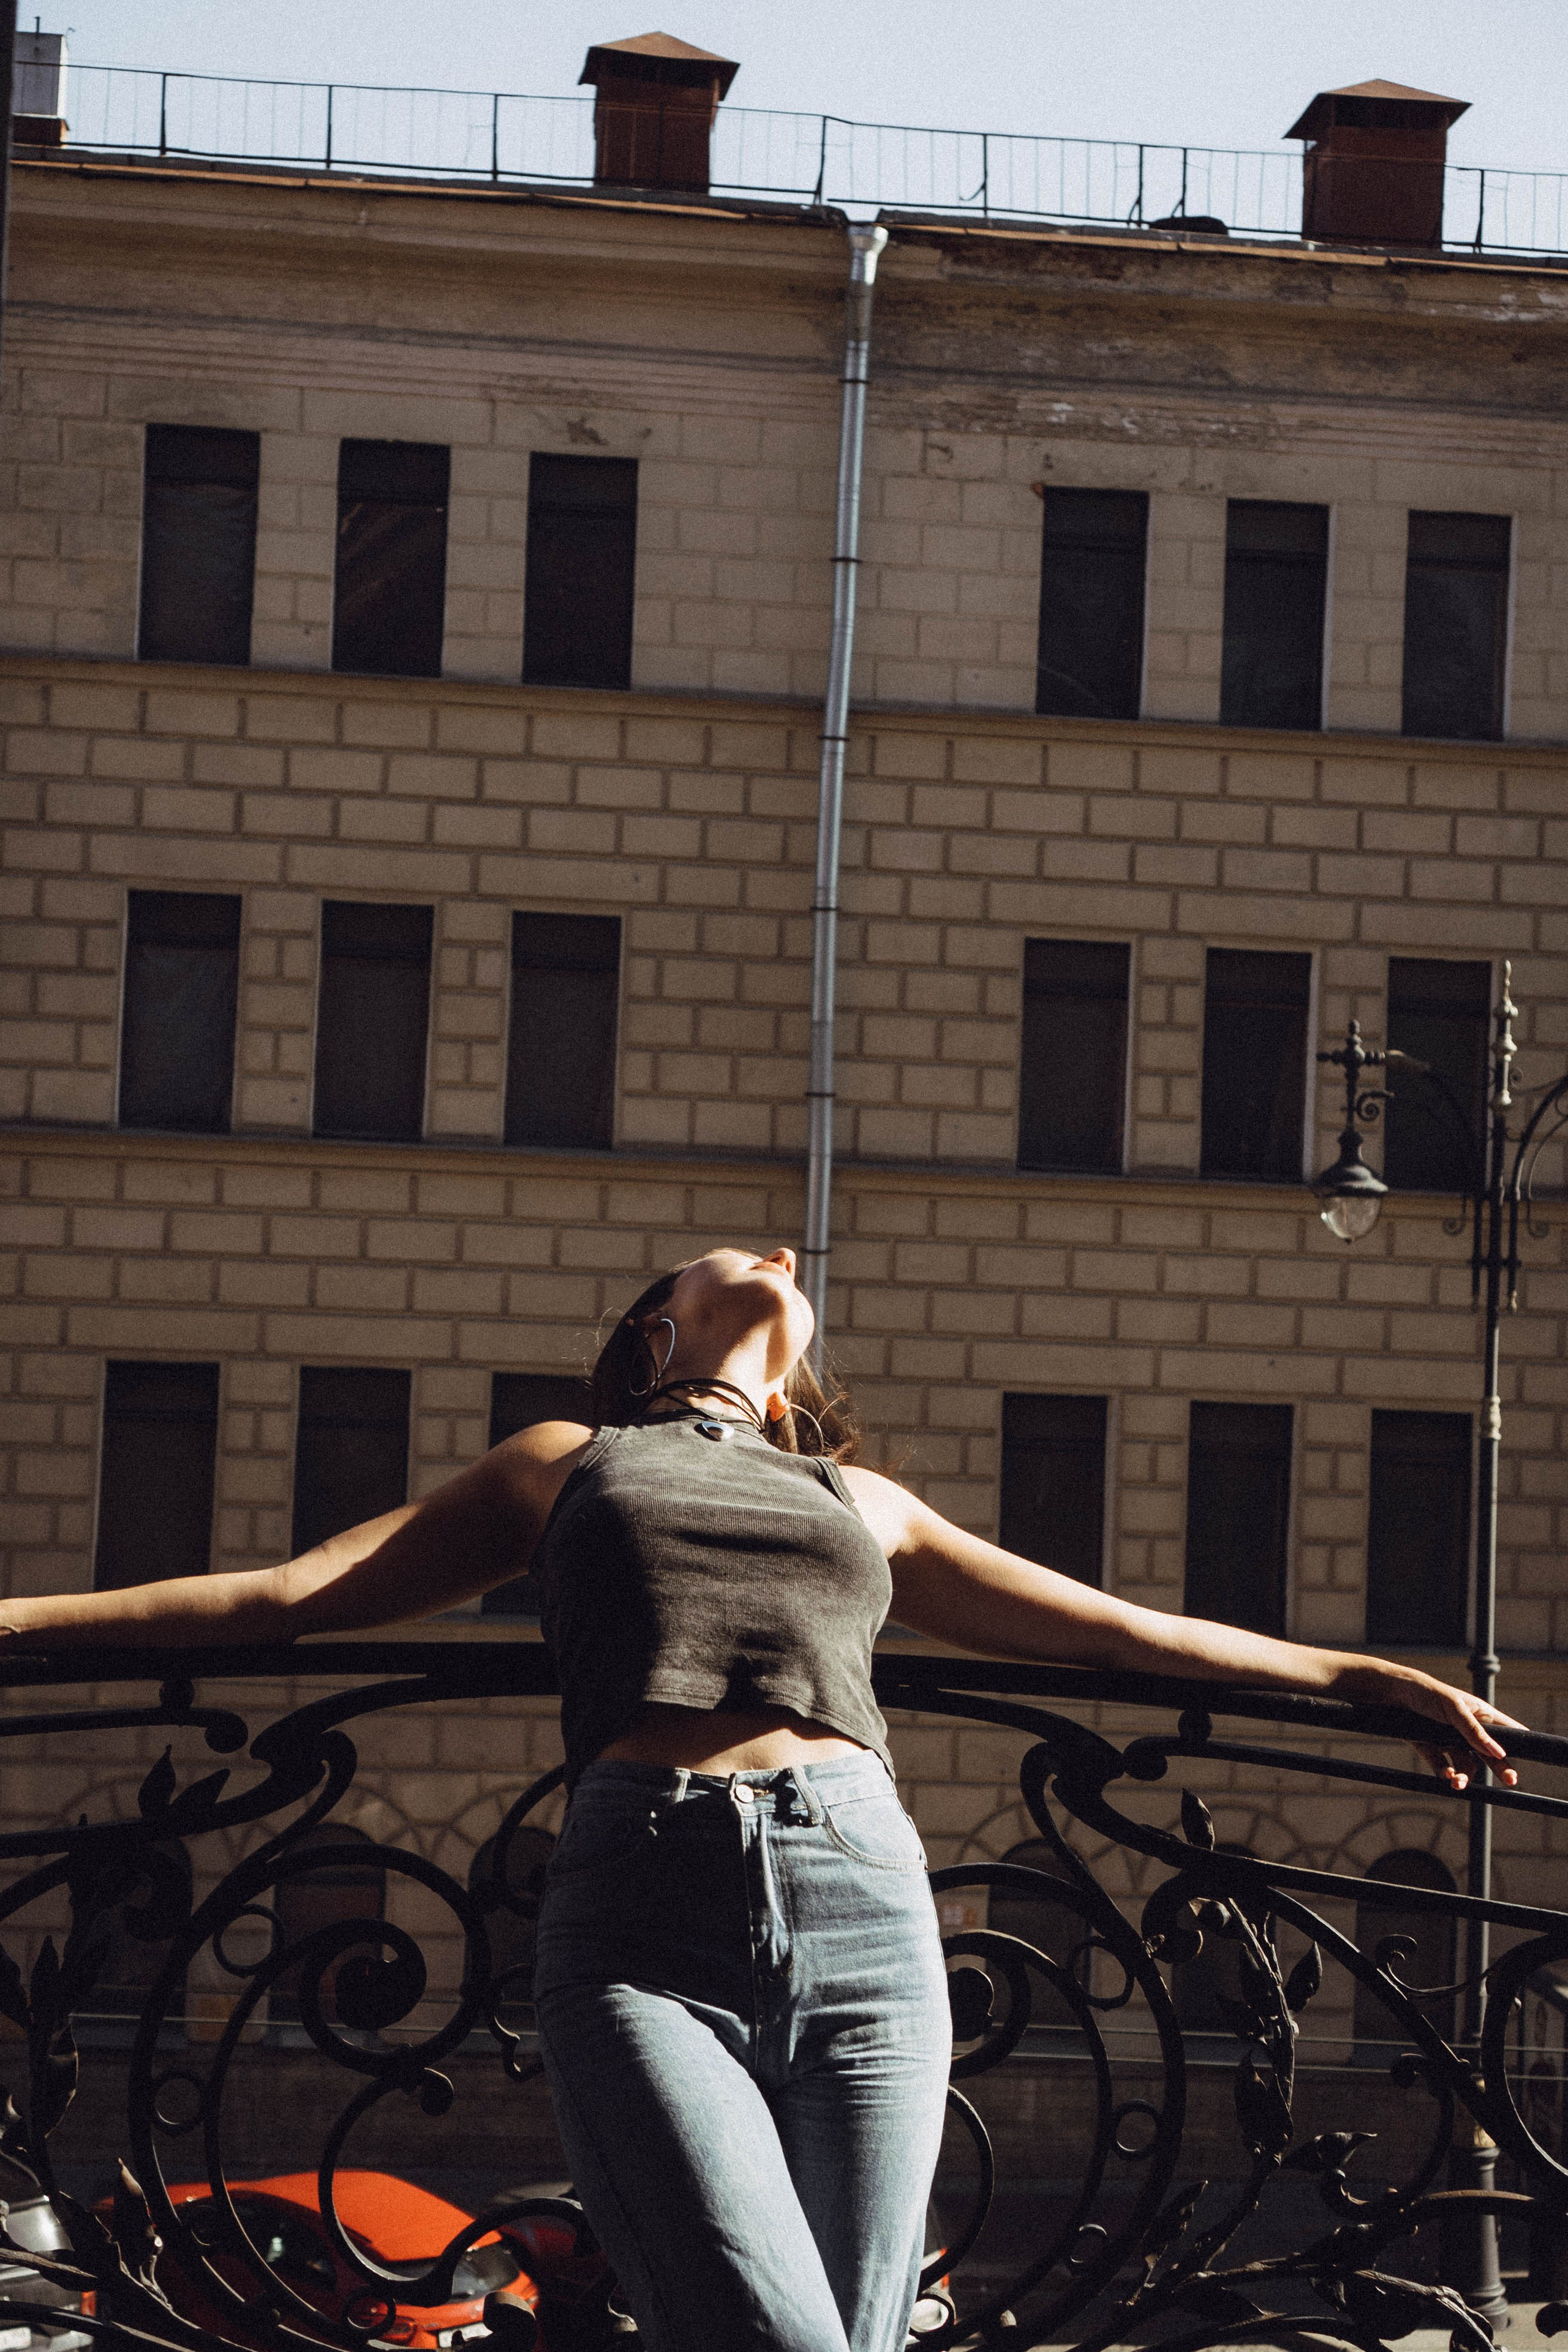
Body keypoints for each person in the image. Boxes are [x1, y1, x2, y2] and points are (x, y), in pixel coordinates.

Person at [0, 1245, 1521, 2352]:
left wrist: (1344, 1674)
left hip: (865, 1904)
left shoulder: (854, 1501)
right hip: (639, 1912)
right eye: (733, 1253)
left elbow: (1118, 1629)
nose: (783, 1251)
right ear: (660, 1324)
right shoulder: (569, 1461)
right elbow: (290, 1594)